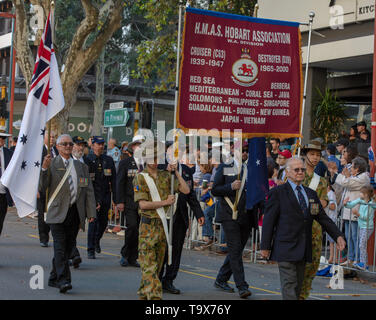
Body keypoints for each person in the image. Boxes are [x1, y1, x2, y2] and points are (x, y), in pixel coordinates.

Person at [261, 157, 346, 300]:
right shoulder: (278, 193)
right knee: (289, 284)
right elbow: (269, 221)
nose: (300, 172)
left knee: (299, 286)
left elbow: (322, 218)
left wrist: (338, 235)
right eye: (296, 170)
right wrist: (265, 246)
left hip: (304, 248)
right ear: (287, 173)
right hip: (286, 246)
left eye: (302, 169)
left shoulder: (310, 194)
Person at [133, 139, 190, 300]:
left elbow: (185, 190)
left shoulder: (166, 176)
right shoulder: (141, 178)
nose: (155, 161)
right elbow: (143, 204)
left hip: (163, 228)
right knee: (149, 268)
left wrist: (176, 172)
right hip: (148, 228)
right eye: (151, 157)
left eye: (157, 157)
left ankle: (145, 295)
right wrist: (165, 202)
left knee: (155, 270)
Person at [40, 134, 96, 293]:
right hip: (57, 212)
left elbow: (88, 192)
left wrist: (91, 212)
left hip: (75, 213)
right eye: (64, 144)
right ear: (57, 146)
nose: (68, 147)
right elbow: (42, 187)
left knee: (67, 247)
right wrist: (44, 169)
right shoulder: (51, 163)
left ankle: (53, 277)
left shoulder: (81, 167)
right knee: (59, 246)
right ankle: (63, 280)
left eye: (70, 144)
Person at [159, 141, 204, 295]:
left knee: (176, 251)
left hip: (180, 217)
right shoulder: (159, 168)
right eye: (174, 150)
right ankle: (156, 279)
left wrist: (199, 213)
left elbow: (190, 194)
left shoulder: (185, 170)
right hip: (163, 216)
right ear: (167, 151)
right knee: (162, 250)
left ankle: (169, 280)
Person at [211, 151, 253, 299]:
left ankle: (221, 279)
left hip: (246, 215)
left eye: (247, 151)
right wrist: (230, 186)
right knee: (235, 250)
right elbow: (215, 189)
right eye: (242, 150)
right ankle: (242, 286)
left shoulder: (251, 168)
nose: (244, 153)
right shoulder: (226, 167)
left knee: (236, 250)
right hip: (229, 214)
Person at [299, 140, 329, 300]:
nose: (315, 158)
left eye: (318, 155)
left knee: (313, 265)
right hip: (297, 228)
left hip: (315, 228)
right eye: (312, 154)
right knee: (296, 266)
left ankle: (303, 295)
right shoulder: (296, 176)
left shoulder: (322, 181)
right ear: (305, 155)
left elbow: (322, 204)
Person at [334, 156, 370, 267]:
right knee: (348, 235)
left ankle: (357, 260)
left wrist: (341, 175)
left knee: (355, 236)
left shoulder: (364, 177)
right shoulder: (353, 177)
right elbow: (346, 182)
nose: (350, 169)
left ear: (358, 168)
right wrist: (346, 176)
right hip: (348, 210)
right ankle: (350, 258)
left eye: (352, 167)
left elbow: (348, 183)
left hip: (356, 211)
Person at [85, 136, 116, 259]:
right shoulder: (87, 160)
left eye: (102, 144)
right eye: (98, 144)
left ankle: (97, 239)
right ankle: (90, 249)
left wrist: (116, 199)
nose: (101, 146)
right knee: (93, 222)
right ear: (92, 146)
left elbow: (113, 180)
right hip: (92, 195)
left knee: (103, 222)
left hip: (105, 195)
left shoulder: (108, 160)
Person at [116, 135, 144, 267]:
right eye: (138, 144)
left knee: (139, 230)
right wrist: (119, 201)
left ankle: (134, 256)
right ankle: (125, 254)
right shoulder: (125, 163)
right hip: (130, 200)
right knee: (132, 227)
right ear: (133, 147)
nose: (140, 147)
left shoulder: (149, 163)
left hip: (144, 202)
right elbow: (120, 183)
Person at [344, 185, 376, 270]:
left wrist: (357, 214)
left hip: (368, 227)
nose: (359, 194)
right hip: (361, 226)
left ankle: (363, 264)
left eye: (361, 193)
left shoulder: (371, 204)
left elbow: (366, 217)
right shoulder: (360, 200)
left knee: (362, 244)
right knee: (361, 244)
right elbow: (351, 205)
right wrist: (346, 203)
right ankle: (364, 263)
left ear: (366, 195)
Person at [68, 136, 88, 268]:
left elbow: (89, 187)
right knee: (67, 232)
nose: (80, 148)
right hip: (66, 204)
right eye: (77, 145)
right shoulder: (65, 162)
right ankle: (74, 255)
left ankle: (70, 254)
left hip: (79, 204)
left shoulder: (87, 163)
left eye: (82, 145)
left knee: (73, 232)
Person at [37, 130, 58, 247]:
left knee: (52, 212)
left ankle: (53, 234)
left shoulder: (56, 151)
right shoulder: (39, 151)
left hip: (54, 187)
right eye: (50, 136)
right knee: (42, 213)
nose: (52, 139)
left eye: (54, 137)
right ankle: (43, 237)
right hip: (42, 187)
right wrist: (36, 189)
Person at [0, 129, 13, 237]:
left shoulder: (9, 153)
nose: (1, 140)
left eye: (3, 138)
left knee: (1, 217)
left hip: (4, 192)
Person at [325, 184, 338, 264]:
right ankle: (331, 257)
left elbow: (333, 206)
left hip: (332, 219)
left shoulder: (331, 194)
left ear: (328, 186)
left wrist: (324, 204)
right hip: (329, 218)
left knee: (334, 240)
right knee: (330, 240)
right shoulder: (328, 193)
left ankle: (335, 258)